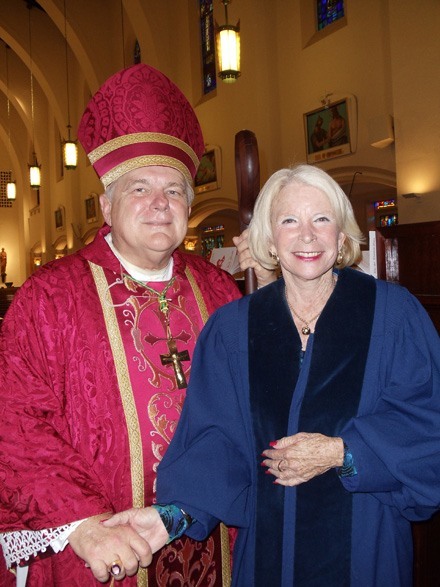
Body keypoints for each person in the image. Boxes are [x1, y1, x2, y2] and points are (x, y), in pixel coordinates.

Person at [103, 164, 440, 586]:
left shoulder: (392, 313)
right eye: (289, 221)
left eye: (321, 219)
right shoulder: (234, 328)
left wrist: (344, 452)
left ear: (341, 234)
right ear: (269, 240)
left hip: (367, 545)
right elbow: (216, 441)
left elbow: (428, 425)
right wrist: (169, 516)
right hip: (268, 552)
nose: (307, 235)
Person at [0, 63, 269, 587]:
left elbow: (255, 407)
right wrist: (83, 524)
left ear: (190, 206)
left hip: (212, 540)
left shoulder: (218, 291)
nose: (159, 204)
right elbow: (14, 421)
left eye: (175, 190)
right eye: (138, 188)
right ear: (106, 204)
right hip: (101, 549)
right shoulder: (48, 298)